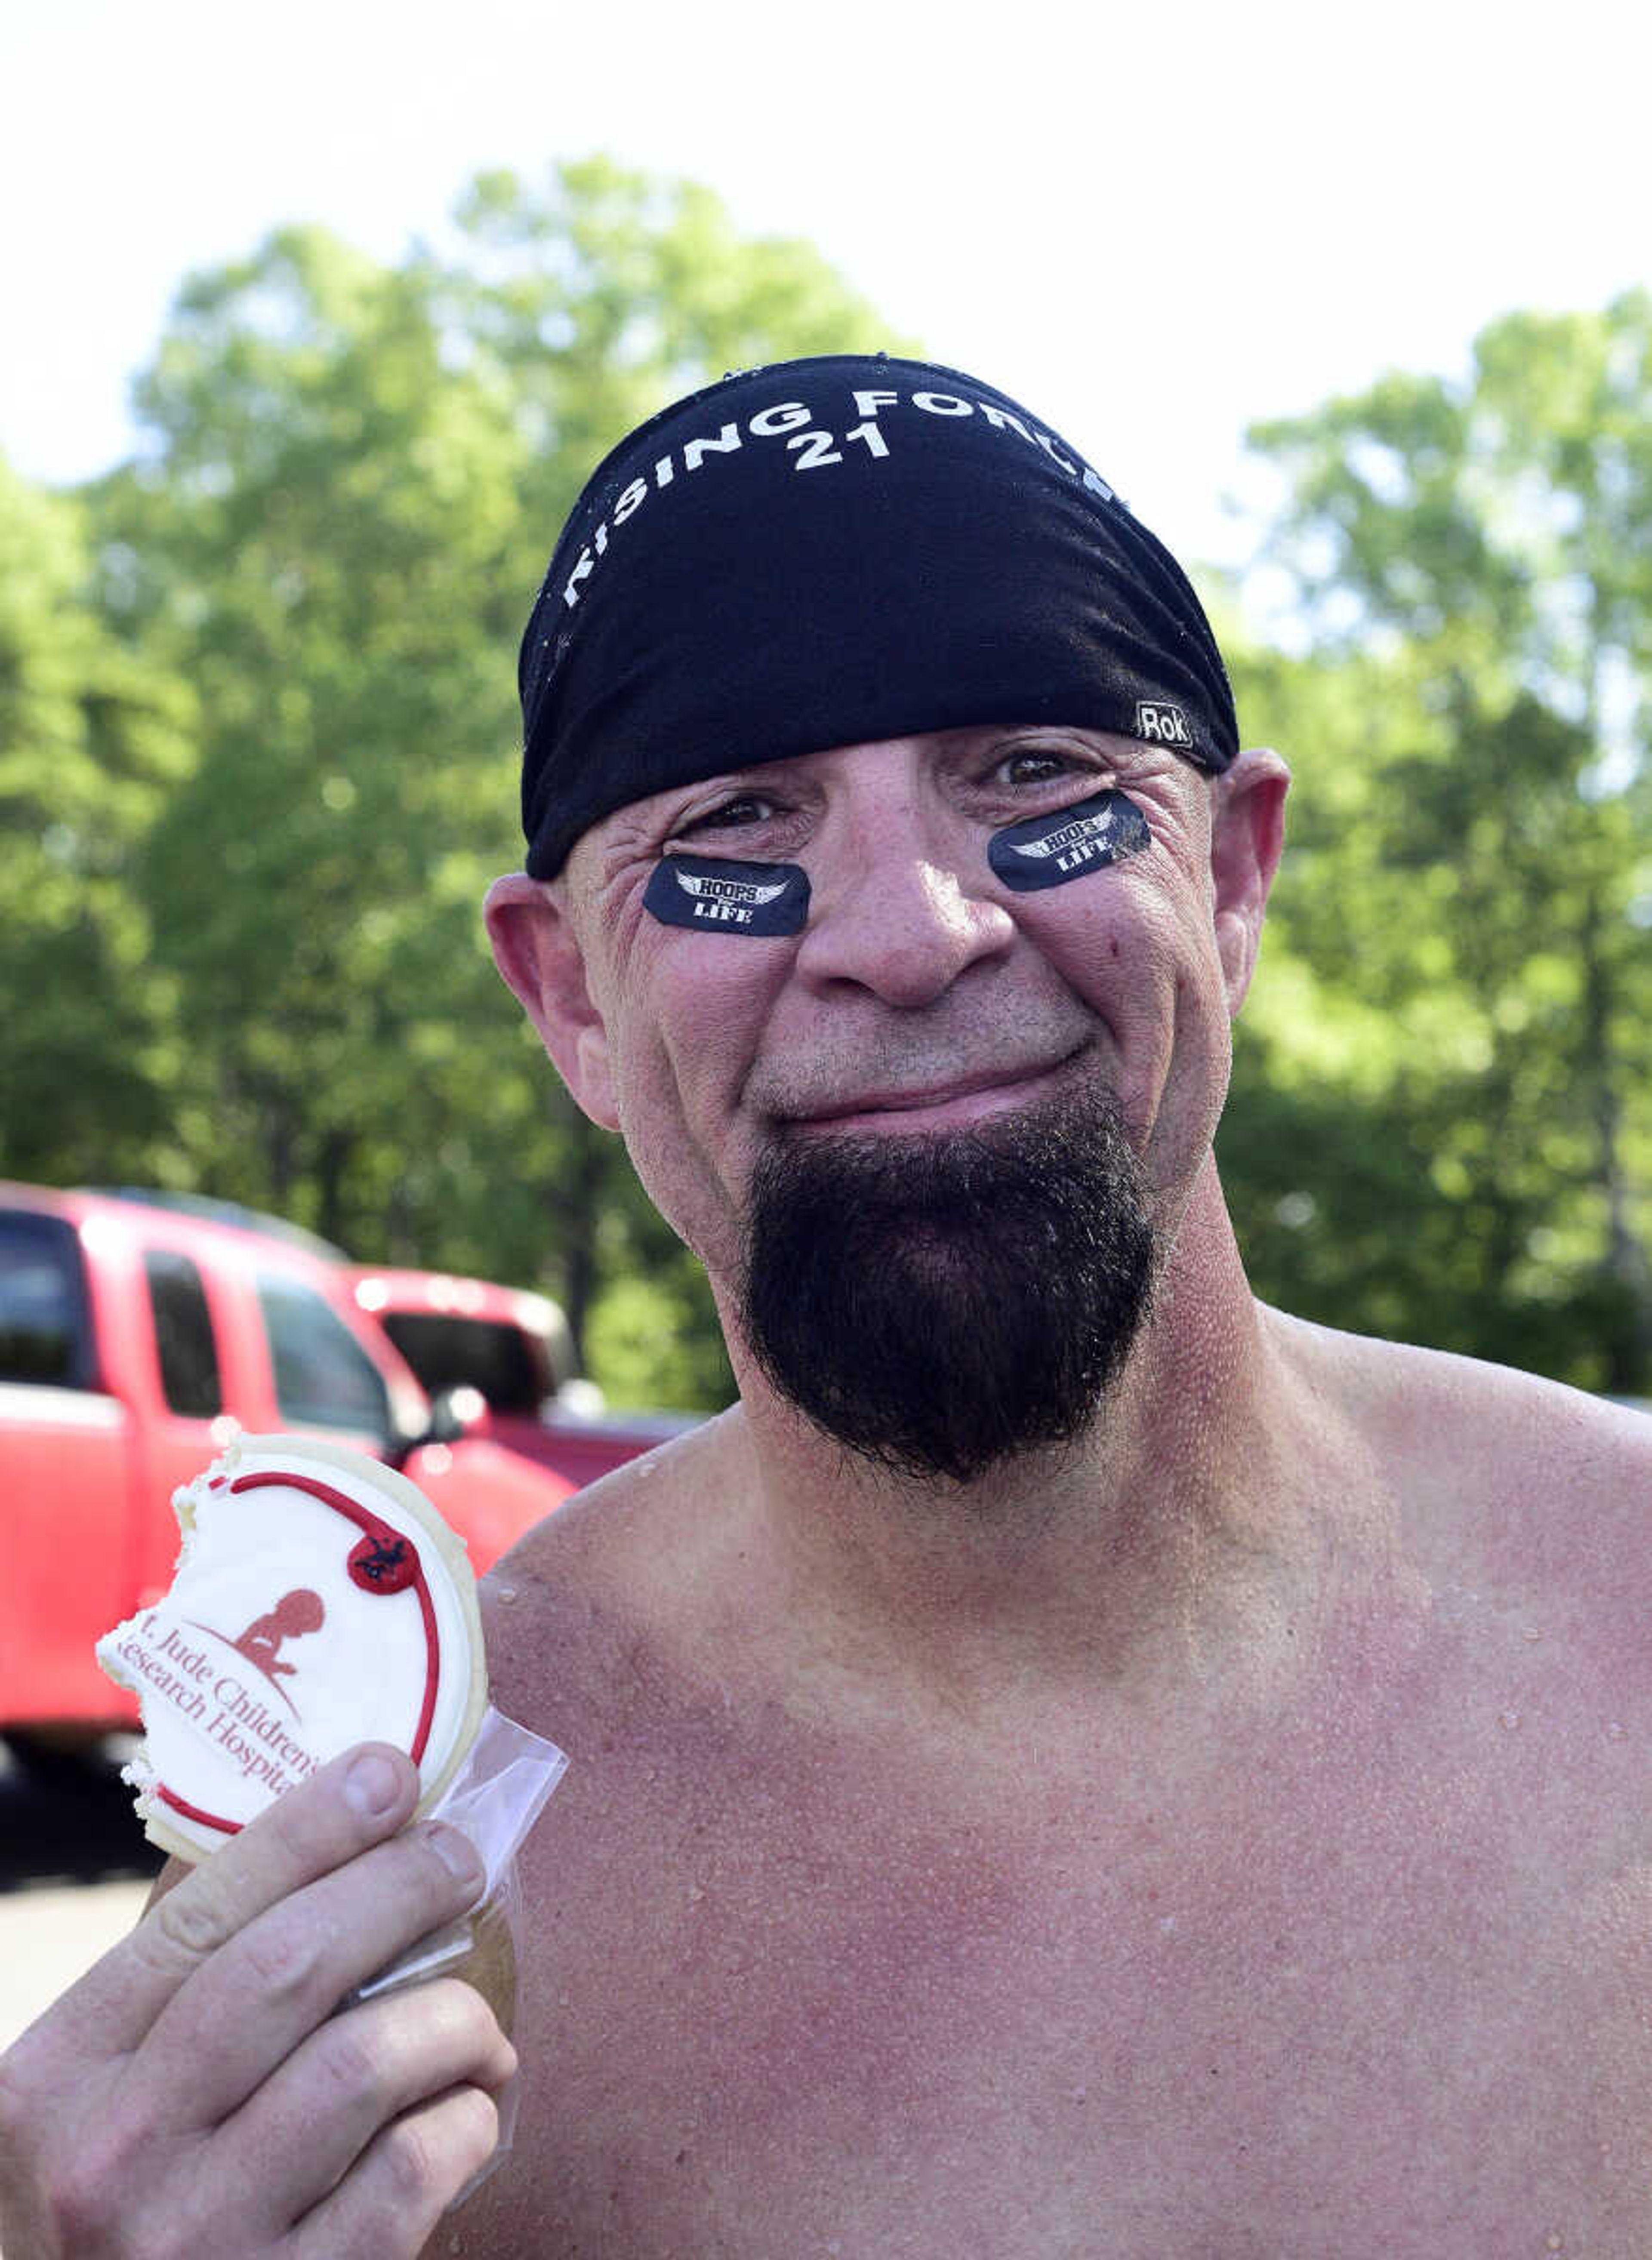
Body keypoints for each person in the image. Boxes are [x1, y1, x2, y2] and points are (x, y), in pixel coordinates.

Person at [2, 355, 1647, 2258]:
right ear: (573, 1004)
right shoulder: (403, 1876)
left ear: (1234, 871)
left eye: (1036, 776)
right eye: (738, 825)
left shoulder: (1628, 1614)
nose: (909, 932)